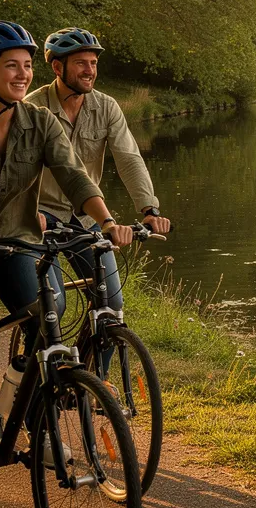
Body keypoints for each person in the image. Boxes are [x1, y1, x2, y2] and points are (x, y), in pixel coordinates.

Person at [0, 20, 135, 486]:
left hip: (15, 241)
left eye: (27, 66)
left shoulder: (39, 122)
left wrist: (107, 222)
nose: (23, 74)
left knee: (49, 312)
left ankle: (31, 419)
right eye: (12, 65)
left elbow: (74, 177)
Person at [28, 27, 172, 320]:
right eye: (81, 63)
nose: (90, 70)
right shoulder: (32, 108)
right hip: (39, 214)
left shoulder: (106, 107)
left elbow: (129, 159)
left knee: (111, 304)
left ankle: (95, 350)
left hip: (85, 214)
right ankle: (34, 350)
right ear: (57, 67)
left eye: (93, 63)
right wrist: (25, 212)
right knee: (51, 306)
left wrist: (149, 209)